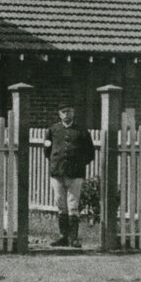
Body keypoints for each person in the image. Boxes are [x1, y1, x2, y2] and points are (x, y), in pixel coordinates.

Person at [43, 103, 95, 247]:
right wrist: (56, 164)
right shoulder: (53, 130)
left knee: (73, 205)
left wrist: (78, 164)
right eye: (64, 112)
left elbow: (90, 153)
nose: (67, 114)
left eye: (70, 111)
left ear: (74, 113)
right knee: (61, 204)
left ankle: (73, 238)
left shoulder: (82, 131)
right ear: (60, 114)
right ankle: (63, 236)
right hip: (57, 173)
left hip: (75, 174)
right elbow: (47, 151)